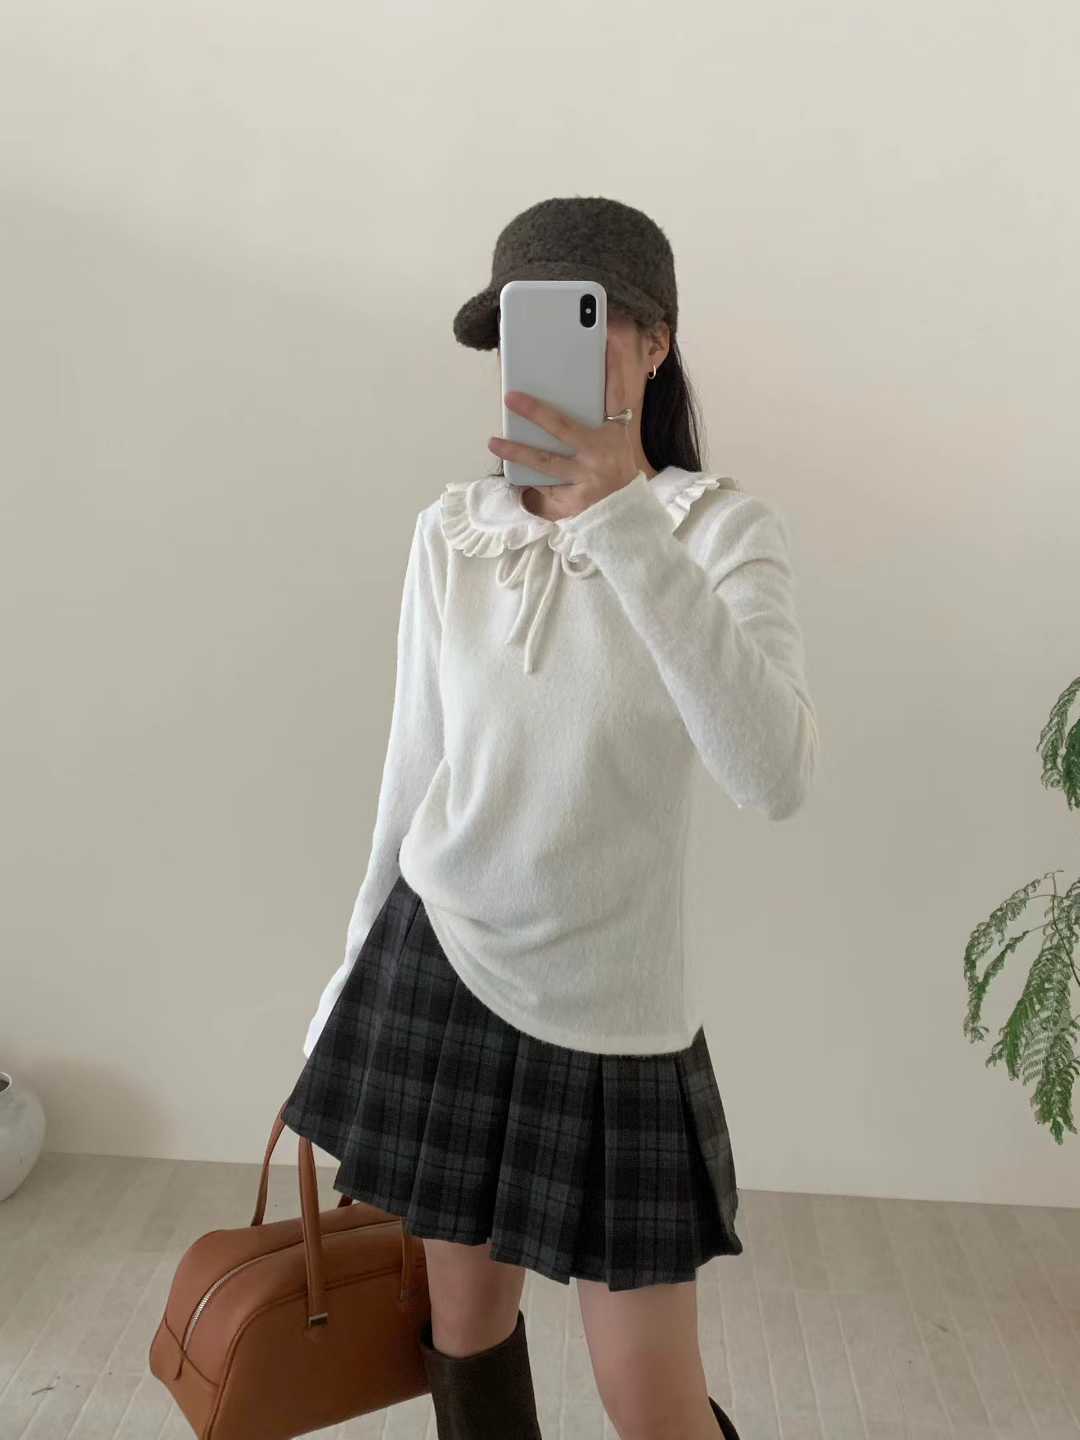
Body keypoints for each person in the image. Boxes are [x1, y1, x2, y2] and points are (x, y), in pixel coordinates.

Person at [282, 196, 819, 1440]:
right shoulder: (452, 534)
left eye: (584, 324)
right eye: (519, 333)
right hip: (442, 972)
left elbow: (774, 776)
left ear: (655, 342)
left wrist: (622, 512)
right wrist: (342, 985)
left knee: (651, 1402)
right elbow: (412, 772)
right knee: (464, 1340)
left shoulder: (719, 532)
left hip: (617, 1017)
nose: (546, 359)